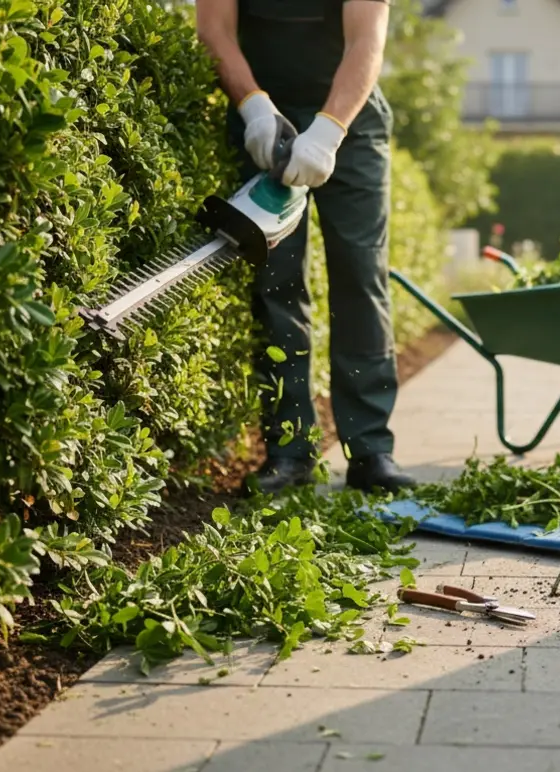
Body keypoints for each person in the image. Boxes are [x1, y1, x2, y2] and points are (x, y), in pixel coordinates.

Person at [196, 0, 416, 494]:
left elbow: (367, 41)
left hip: (350, 122)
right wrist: (252, 106)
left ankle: (370, 450)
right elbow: (213, 29)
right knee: (275, 280)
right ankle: (289, 451)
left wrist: (329, 131)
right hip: (263, 121)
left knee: (360, 275)